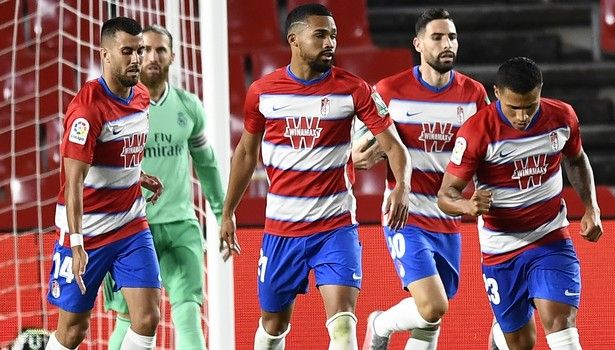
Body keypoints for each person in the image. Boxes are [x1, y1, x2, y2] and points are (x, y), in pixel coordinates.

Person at [219, 4, 412, 350]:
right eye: (321, 35)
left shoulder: (355, 90)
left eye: (334, 36)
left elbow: (395, 148)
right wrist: (227, 212)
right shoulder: (263, 92)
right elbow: (246, 154)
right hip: (282, 231)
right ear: (294, 39)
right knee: (273, 325)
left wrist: (402, 188)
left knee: (342, 328)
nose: (330, 43)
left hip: (335, 228)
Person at [437, 56, 603, 350]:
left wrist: (592, 208)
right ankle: (502, 334)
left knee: (560, 323)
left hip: (550, 237)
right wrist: (467, 206)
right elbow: (446, 195)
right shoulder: (477, 132)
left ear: (541, 91)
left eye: (531, 106)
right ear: (497, 93)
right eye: (514, 108)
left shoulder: (562, 117)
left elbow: (576, 160)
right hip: (501, 250)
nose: (523, 116)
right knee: (521, 343)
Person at [356, 8, 489, 350]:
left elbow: (488, 152)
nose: (447, 44)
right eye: (437, 37)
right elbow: (356, 152)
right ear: (418, 43)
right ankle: (380, 324)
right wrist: (371, 150)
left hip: (448, 216)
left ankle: (384, 323)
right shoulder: (389, 90)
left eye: (452, 37)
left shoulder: (474, 95)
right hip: (405, 213)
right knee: (432, 305)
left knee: (431, 316)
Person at [102, 25, 225, 350]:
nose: (153, 57)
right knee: (130, 321)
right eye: (145, 50)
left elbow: (206, 163)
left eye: (161, 50)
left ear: (172, 56)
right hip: (129, 230)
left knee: (187, 314)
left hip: (181, 226)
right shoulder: (117, 108)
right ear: (135, 56)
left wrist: (222, 212)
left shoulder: (189, 107)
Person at [45, 17, 163, 350]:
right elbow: (73, 183)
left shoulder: (140, 95)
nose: (136, 59)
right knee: (73, 331)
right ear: (105, 54)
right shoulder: (87, 109)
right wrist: (78, 242)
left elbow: (116, 151)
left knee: (147, 318)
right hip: (87, 230)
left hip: (130, 223)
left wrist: (138, 175)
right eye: (127, 51)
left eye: (139, 51)